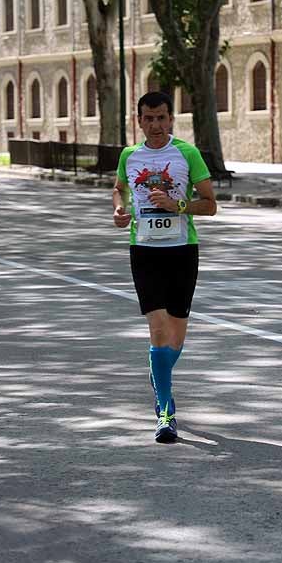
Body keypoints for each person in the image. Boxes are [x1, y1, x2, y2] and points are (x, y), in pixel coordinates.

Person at [112, 91, 217, 443]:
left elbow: (210, 204)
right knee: (157, 330)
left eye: (161, 118)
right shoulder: (129, 155)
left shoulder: (187, 153)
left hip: (182, 250)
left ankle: (159, 374)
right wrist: (119, 210)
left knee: (176, 335)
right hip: (143, 250)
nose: (155, 124)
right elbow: (119, 190)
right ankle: (165, 411)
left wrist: (178, 204)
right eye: (148, 118)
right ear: (139, 121)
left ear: (171, 119)